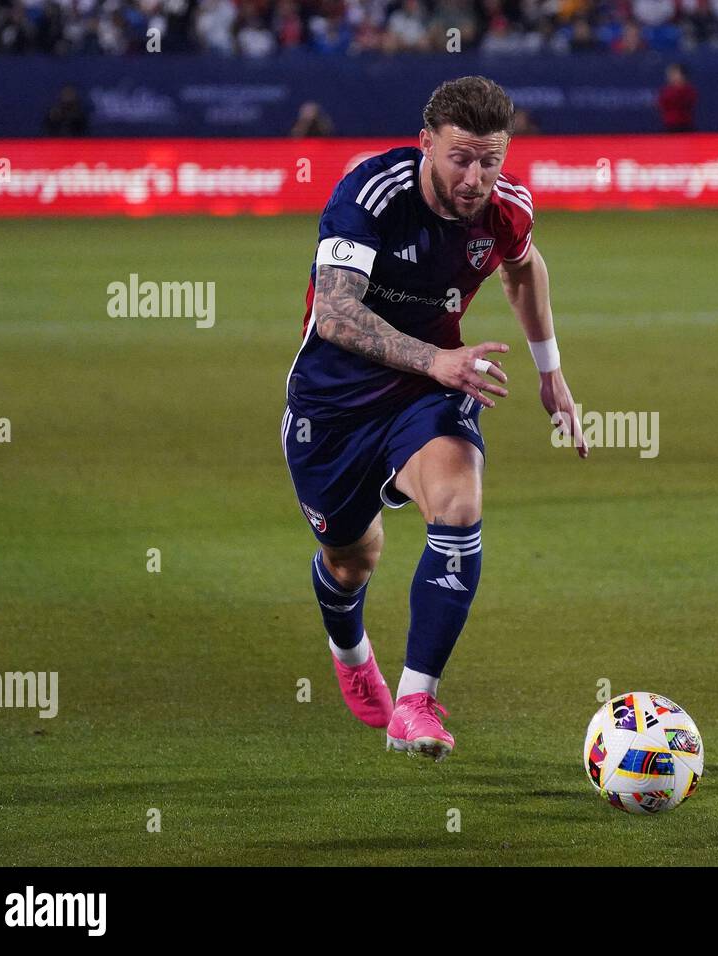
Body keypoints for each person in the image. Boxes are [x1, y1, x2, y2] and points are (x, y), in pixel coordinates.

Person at [283, 76, 588, 761]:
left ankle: (416, 700)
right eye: (460, 158)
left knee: (457, 502)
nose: (476, 177)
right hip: (333, 403)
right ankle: (350, 648)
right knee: (352, 558)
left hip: (430, 390)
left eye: (491, 161)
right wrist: (433, 358)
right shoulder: (370, 192)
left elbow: (523, 268)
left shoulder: (505, 207)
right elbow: (332, 313)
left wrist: (550, 371)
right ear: (426, 144)